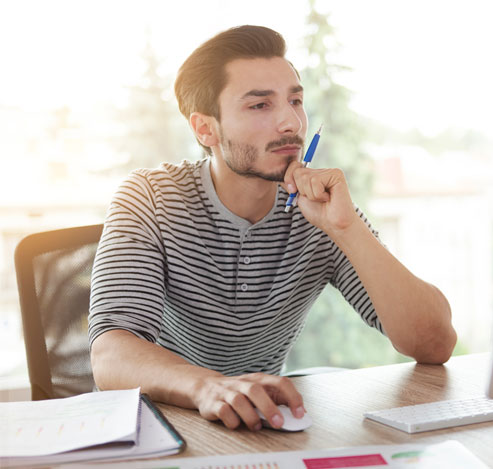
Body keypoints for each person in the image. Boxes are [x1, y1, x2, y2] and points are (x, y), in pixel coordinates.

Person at [88, 25, 456, 432]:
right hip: (165, 424)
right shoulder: (150, 197)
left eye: (295, 100)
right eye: (260, 106)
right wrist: (211, 387)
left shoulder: (323, 210)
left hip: (259, 426)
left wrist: (347, 229)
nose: (290, 122)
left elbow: (435, 344)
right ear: (205, 128)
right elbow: (111, 353)